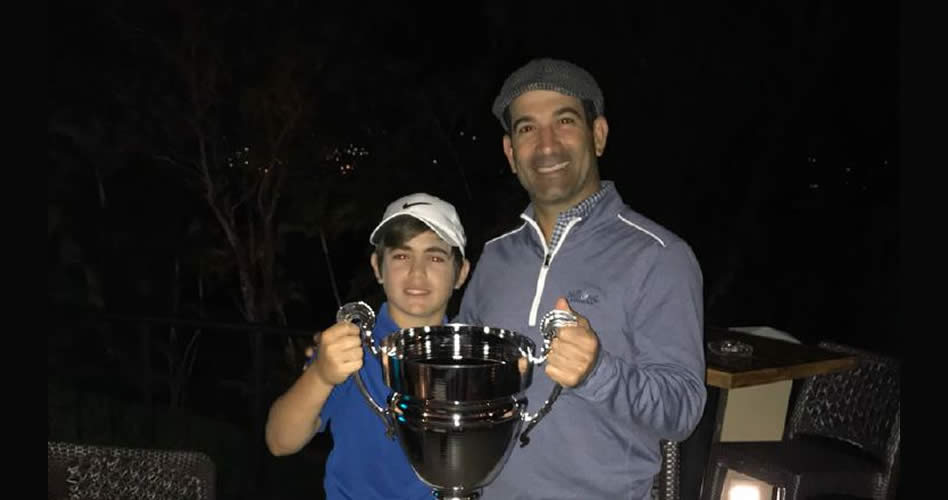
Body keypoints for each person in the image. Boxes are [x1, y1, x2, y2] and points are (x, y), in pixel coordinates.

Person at [454, 57, 707, 499]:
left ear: (599, 134)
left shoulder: (660, 256)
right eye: (527, 128)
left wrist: (597, 372)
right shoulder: (495, 256)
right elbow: (463, 376)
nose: (547, 145)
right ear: (511, 153)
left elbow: (682, 409)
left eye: (565, 121)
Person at [265, 193, 471, 499]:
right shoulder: (349, 346)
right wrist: (321, 375)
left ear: (461, 273)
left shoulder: (476, 355)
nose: (417, 272)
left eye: (436, 257)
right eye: (401, 256)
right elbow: (280, 441)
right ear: (377, 267)